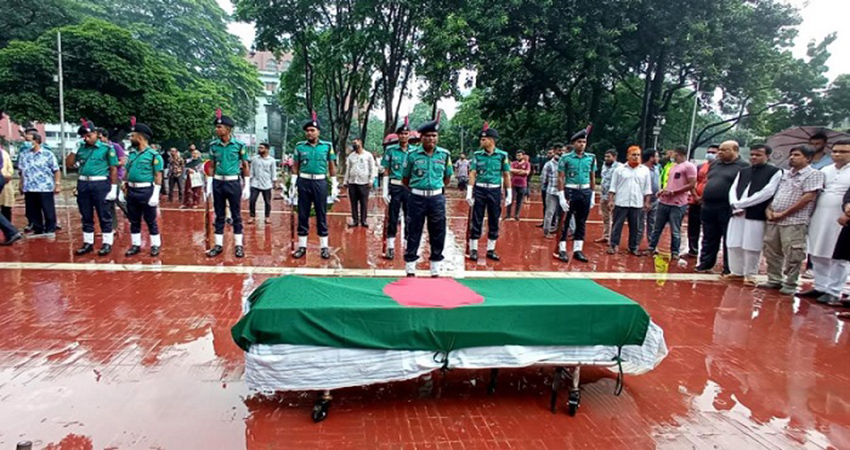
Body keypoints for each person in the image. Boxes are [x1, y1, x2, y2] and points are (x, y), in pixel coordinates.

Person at [758, 145, 824, 295]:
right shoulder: (785, 174)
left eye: (796, 155)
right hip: (774, 219)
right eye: (791, 155)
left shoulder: (813, 174)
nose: (792, 158)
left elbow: (808, 198)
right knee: (771, 251)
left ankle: (790, 282)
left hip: (794, 220)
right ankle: (774, 279)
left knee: (793, 253)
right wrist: (769, 209)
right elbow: (775, 193)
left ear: (808, 158)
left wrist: (784, 213)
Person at [402, 115, 453, 277]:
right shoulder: (412, 155)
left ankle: (435, 266)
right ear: (421, 138)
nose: (431, 139)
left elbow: (447, 177)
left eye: (434, 136)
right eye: (428, 136)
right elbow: (405, 179)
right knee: (413, 230)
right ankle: (410, 266)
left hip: (437, 199)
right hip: (416, 198)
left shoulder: (444, 155)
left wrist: (435, 189)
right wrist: (419, 189)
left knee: (438, 231)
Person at [724, 144, 782, 284]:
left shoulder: (774, 172)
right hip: (737, 212)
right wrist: (735, 204)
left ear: (767, 156)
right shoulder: (743, 171)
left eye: (758, 155)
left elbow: (767, 192)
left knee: (752, 245)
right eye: (752, 154)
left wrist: (742, 204)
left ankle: (750, 274)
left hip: (755, 213)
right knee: (733, 243)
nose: (754, 157)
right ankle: (736, 272)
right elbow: (733, 189)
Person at [802, 139, 850, 304]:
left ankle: (834, 290)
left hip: (841, 218)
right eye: (835, 151)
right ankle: (821, 286)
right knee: (817, 251)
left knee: (838, 256)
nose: (837, 154)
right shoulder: (825, 170)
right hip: (820, 214)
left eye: (843, 152)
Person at [288, 111, 339, 259]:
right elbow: (295, 166)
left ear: (318, 132)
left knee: (321, 214)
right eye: (307, 131)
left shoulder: (327, 146)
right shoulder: (300, 147)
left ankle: (324, 247)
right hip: (303, 182)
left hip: (320, 182)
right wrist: (292, 183)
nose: (309, 133)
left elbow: (332, 166)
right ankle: (302, 247)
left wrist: (334, 184)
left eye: (312, 130)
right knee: (303, 214)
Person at [65, 119, 119, 256]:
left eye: (89, 135)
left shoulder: (107, 149)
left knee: (104, 215)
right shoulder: (81, 148)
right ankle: (88, 243)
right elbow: (69, 164)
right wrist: (73, 149)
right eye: (84, 136)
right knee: (86, 215)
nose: (86, 138)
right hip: (83, 183)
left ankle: (107, 243)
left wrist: (113, 188)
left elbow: (113, 169)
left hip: (100, 184)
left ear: (96, 134)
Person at [695, 140, 749, 273]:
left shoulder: (743, 166)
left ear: (735, 150)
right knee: (708, 236)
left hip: (727, 207)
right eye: (720, 149)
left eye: (724, 150)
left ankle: (728, 267)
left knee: (728, 238)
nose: (720, 152)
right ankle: (705, 262)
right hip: (709, 206)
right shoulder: (715, 164)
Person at [205, 109, 251, 258]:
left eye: (220, 127)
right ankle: (218, 245)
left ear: (228, 129)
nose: (217, 129)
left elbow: (245, 165)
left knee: (236, 215)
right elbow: (211, 165)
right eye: (216, 127)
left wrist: (247, 185)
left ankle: (238, 245)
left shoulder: (239, 145)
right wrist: (209, 184)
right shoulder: (213, 145)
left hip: (233, 182)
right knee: (219, 215)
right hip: (218, 182)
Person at [466, 122, 511, 261]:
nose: (481, 141)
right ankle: (473, 249)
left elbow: (506, 174)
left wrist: (509, 193)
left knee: (494, 219)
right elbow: (473, 173)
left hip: (495, 190)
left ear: (491, 140)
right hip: (480, 189)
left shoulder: (502, 155)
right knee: (477, 218)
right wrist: (469, 191)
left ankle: (491, 249)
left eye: (483, 139)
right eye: (481, 139)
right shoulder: (478, 155)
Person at [647, 145, 697, 259]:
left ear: (678, 153)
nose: (671, 155)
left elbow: (691, 184)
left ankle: (675, 252)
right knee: (657, 228)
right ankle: (651, 248)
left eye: (673, 153)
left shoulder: (689, 166)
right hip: (664, 202)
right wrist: (664, 191)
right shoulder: (673, 166)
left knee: (675, 230)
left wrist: (674, 192)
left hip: (678, 204)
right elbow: (670, 183)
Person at [123, 119, 163, 257]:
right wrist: (123, 187)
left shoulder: (153, 155)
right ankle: (135, 245)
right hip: (132, 191)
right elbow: (127, 172)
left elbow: (158, 175)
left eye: (133, 136)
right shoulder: (132, 154)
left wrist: (155, 194)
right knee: (133, 220)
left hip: (146, 190)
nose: (130, 138)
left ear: (140, 137)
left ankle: (155, 245)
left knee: (150, 220)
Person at [556, 129, 596, 262]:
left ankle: (578, 249)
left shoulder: (591, 158)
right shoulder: (565, 158)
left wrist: (593, 194)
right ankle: (561, 249)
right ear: (573, 143)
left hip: (585, 191)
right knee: (565, 221)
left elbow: (592, 177)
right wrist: (561, 195)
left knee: (581, 221)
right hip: (570, 190)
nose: (582, 144)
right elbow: (561, 178)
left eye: (584, 142)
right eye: (579, 142)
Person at [607, 146, 652, 255]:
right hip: (621, 202)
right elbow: (613, 187)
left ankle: (633, 247)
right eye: (633, 155)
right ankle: (613, 245)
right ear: (628, 156)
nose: (636, 157)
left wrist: (647, 202)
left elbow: (647, 188)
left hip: (637, 204)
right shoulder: (619, 170)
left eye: (638, 155)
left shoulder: (645, 171)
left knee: (635, 227)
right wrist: (611, 200)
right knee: (617, 225)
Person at [18, 132, 60, 237]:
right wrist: (21, 184)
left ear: (36, 141)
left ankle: (50, 228)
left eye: (29, 140)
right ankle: (38, 229)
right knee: (32, 210)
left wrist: (57, 183)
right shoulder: (24, 155)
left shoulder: (48, 154)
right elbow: (22, 171)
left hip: (44, 187)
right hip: (30, 187)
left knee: (48, 210)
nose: (27, 143)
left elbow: (56, 170)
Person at [381, 118, 412, 259]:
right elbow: (386, 170)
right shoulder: (391, 150)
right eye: (401, 134)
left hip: (409, 188)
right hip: (394, 186)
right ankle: (390, 246)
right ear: (398, 135)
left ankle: (407, 246)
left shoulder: (415, 152)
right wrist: (385, 190)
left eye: (406, 133)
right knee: (392, 217)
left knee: (409, 217)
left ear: (409, 135)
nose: (403, 136)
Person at [686, 144, 718, 257]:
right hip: (695, 201)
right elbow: (692, 183)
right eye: (709, 151)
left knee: (709, 229)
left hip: (709, 203)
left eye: (714, 152)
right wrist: (696, 196)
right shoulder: (700, 167)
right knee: (693, 227)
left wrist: (703, 198)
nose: (710, 154)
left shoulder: (719, 168)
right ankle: (692, 250)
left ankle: (706, 254)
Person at [343, 137, 376, 227]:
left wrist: (371, 180)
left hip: (364, 183)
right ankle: (355, 220)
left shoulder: (368, 155)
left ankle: (364, 220)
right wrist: (345, 181)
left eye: (355, 143)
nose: (354, 145)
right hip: (352, 182)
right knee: (353, 202)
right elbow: (348, 169)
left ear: (360, 143)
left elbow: (372, 168)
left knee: (364, 202)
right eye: (353, 143)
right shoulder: (351, 156)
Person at [595, 149, 622, 243]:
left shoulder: (620, 167)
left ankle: (613, 238)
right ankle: (606, 235)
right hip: (604, 195)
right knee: (605, 217)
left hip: (614, 196)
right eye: (605, 156)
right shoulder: (604, 166)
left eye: (608, 157)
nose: (606, 159)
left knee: (615, 218)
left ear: (614, 157)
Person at [248, 143, 277, 224]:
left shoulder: (271, 160)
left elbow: (273, 172)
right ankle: (252, 216)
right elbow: (251, 170)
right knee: (252, 200)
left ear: (267, 149)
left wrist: (274, 182)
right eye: (259, 148)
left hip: (267, 184)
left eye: (261, 148)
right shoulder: (254, 159)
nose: (259, 149)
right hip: (255, 183)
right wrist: (249, 180)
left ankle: (267, 217)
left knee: (267, 201)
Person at [639, 149, 660, 246]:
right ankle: (636, 244)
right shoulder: (641, 169)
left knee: (653, 223)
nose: (658, 158)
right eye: (656, 156)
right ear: (651, 158)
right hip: (642, 200)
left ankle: (651, 245)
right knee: (640, 223)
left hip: (655, 200)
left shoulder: (656, 168)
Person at [541, 149, 562, 237]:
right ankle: (546, 231)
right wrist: (545, 188)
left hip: (562, 192)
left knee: (562, 213)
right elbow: (544, 178)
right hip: (551, 191)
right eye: (557, 152)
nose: (559, 154)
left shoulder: (565, 163)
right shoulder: (549, 164)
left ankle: (560, 229)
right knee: (549, 212)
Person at [505, 150, 529, 220]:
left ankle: (516, 215)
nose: (518, 157)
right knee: (510, 199)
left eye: (519, 155)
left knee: (520, 200)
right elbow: (510, 170)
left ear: (523, 156)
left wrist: (516, 171)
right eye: (517, 155)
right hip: (513, 184)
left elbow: (526, 173)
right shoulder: (513, 163)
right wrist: (521, 171)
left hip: (522, 185)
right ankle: (508, 214)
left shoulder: (527, 164)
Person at [538, 147, 557, 228]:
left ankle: (553, 223)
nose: (548, 154)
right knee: (546, 206)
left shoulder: (557, 163)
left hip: (552, 187)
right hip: (546, 188)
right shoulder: (546, 162)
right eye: (548, 153)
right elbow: (543, 176)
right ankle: (546, 222)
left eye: (550, 153)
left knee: (553, 208)